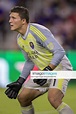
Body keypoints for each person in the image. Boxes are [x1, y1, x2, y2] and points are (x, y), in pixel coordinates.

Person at [5, 6, 74, 114]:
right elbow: (29, 61)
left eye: (13, 18)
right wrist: (20, 81)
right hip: (46, 72)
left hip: (61, 69)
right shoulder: (20, 39)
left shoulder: (37, 31)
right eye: (10, 18)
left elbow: (60, 51)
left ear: (23, 21)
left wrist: (47, 70)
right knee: (23, 98)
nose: (10, 21)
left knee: (54, 99)